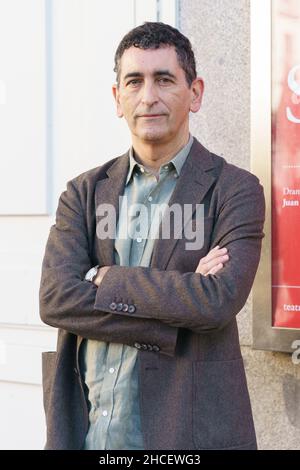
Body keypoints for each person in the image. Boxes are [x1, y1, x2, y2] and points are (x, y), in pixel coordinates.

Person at [39, 22, 265, 450]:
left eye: (164, 79)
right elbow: (55, 299)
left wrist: (105, 278)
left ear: (194, 93)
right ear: (117, 97)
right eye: (134, 81)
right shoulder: (83, 192)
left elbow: (218, 300)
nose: (148, 97)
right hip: (86, 432)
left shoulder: (235, 190)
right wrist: (178, 301)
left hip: (184, 436)